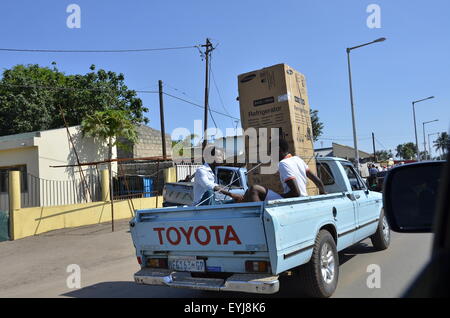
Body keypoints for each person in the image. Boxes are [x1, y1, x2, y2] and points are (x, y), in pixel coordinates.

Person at [244, 138, 327, 202]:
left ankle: (260, 214)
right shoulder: (298, 159)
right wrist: (323, 194)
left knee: (254, 189)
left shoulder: (283, 163)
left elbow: (296, 193)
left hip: (294, 201)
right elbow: (318, 181)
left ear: (278, 150)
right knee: (248, 192)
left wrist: (278, 197)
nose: (271, 155)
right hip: (303, 199)